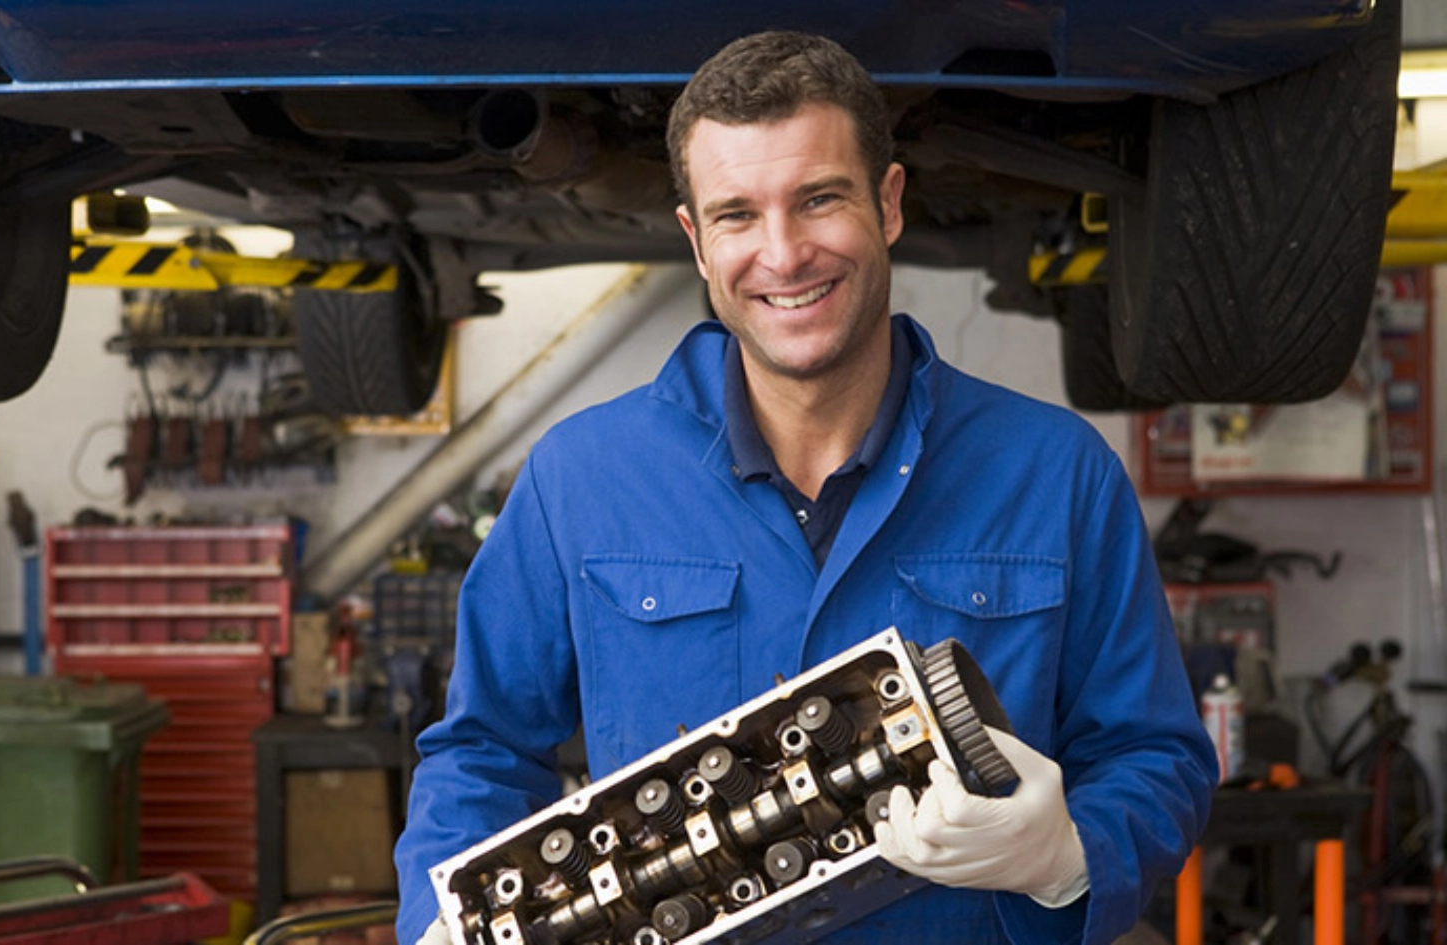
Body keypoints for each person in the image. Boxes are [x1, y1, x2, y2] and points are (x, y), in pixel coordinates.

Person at [394, 30, 1217, 945]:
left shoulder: (1056, 471)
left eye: (819, 199)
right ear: (696, 241)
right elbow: (483, 747)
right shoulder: (581, 477)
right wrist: (442, 918)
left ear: (889, 202)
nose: (783, 255)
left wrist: (1070, 854)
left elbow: (1155, 754)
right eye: (737, 215)